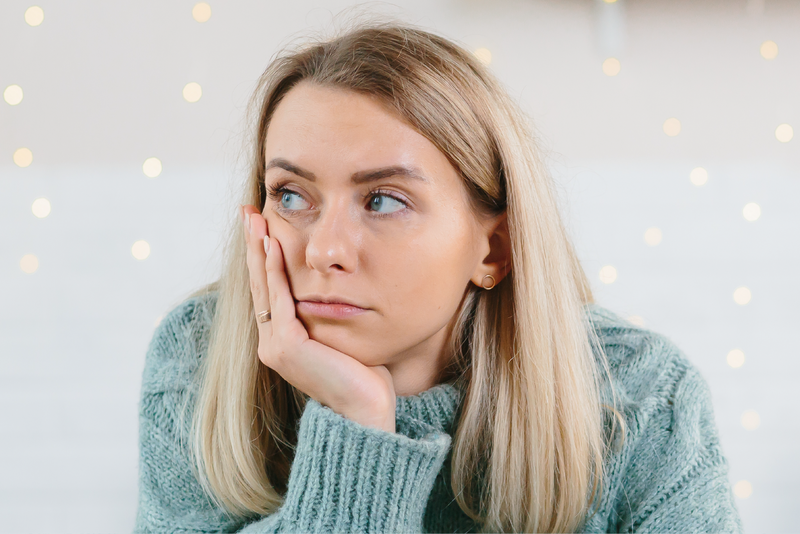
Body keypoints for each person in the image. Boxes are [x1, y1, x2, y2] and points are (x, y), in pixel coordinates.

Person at [133, 17, 744, 534]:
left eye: (384, 201)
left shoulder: (643, 397)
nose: (323, 251)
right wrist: (356, 427)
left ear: (493, 249)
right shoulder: (198, 357)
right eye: (291, 195)